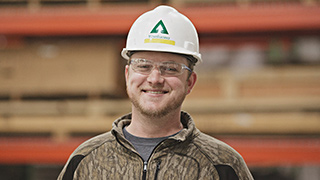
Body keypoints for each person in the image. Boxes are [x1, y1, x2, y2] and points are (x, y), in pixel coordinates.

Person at [58, 5, 253, 180]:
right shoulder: (85, 162)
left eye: (170, 68)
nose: (155, 79)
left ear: (190, 82)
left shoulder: (223, 166)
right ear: (127, 75)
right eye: (143, 66)